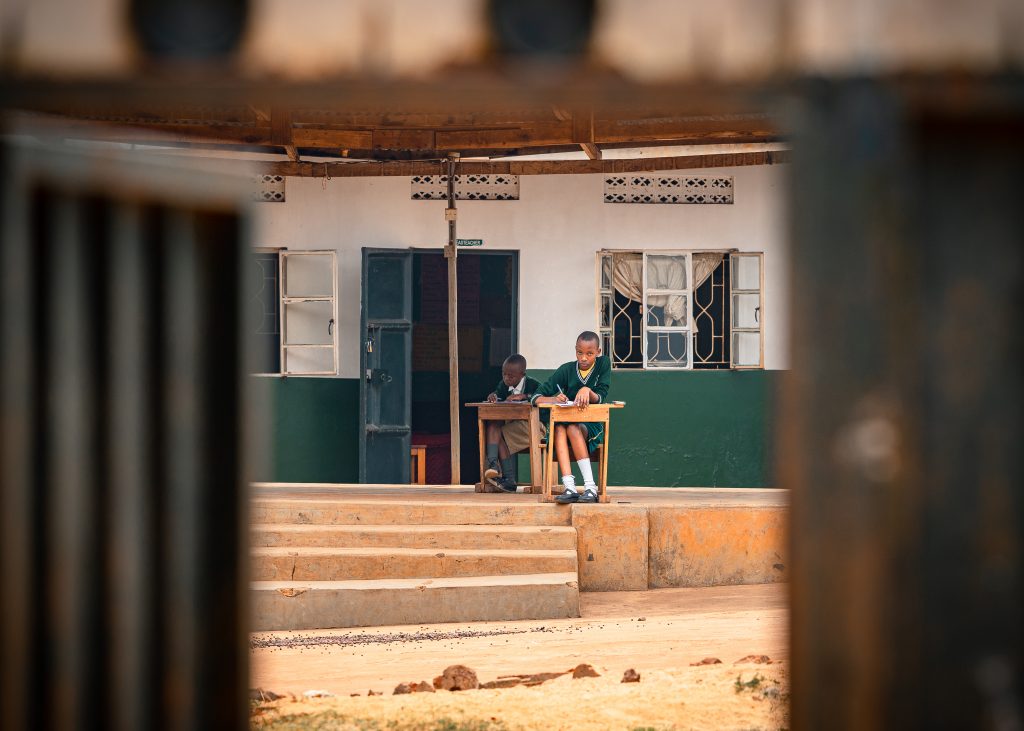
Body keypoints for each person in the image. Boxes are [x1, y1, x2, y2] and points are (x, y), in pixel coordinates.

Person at [530, 331, 610, 504]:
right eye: (579, 352)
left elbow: (601, 395)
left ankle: (590, 488)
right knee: (559, 427)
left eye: (589, 353)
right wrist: (554, 399)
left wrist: (587, 390)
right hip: (565, 422)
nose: (584, 358)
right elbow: (535, 397)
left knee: (573, 428)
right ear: (575, 350)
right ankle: (570, 488)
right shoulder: (566, 369)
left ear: (598, 352)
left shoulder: (603, 364)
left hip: (590, 424)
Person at [483, 354, 542, 493]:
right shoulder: (503, 385)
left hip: (534, 426)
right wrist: (493, 396)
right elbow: (497, 394)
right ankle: (493, 466)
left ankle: (509, 479)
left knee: (496, 435)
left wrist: (525, 396)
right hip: (513, 425)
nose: (506, 378)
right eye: (504, 374)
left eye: (511, 376)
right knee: (492, 425)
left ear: (522, 375)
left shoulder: (534, 384)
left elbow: (543, 396)